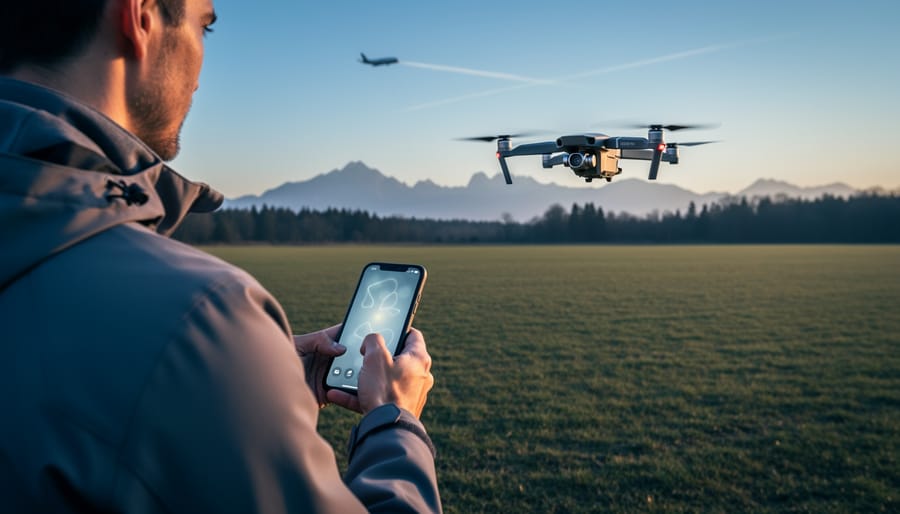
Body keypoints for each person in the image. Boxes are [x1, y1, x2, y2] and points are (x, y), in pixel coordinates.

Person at [0, 0, 441, 512]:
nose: (201, 72)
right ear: (140, 18)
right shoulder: (203, 313)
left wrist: (259, 379)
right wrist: (393, 421)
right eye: (203, 26)